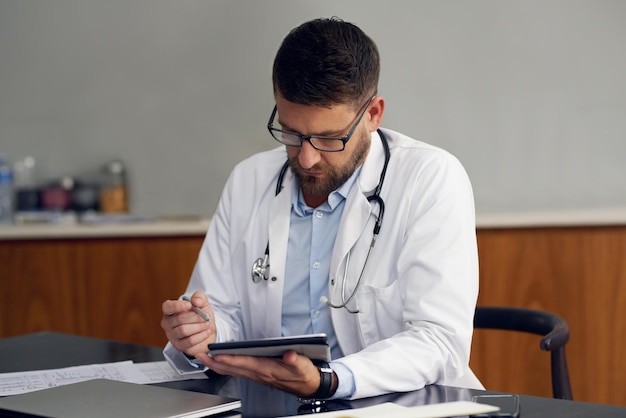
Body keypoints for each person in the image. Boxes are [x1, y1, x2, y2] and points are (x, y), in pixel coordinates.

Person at [161, 17, 482, 401]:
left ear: (374, 114)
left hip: (401, 406)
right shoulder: (249, 180)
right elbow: (223, 315)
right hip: (274, 404)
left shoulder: (430, 178)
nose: (308, 158)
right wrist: (203, 332)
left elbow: (439, 341)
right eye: (292, 133)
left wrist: (329, 380)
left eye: (329, 138)